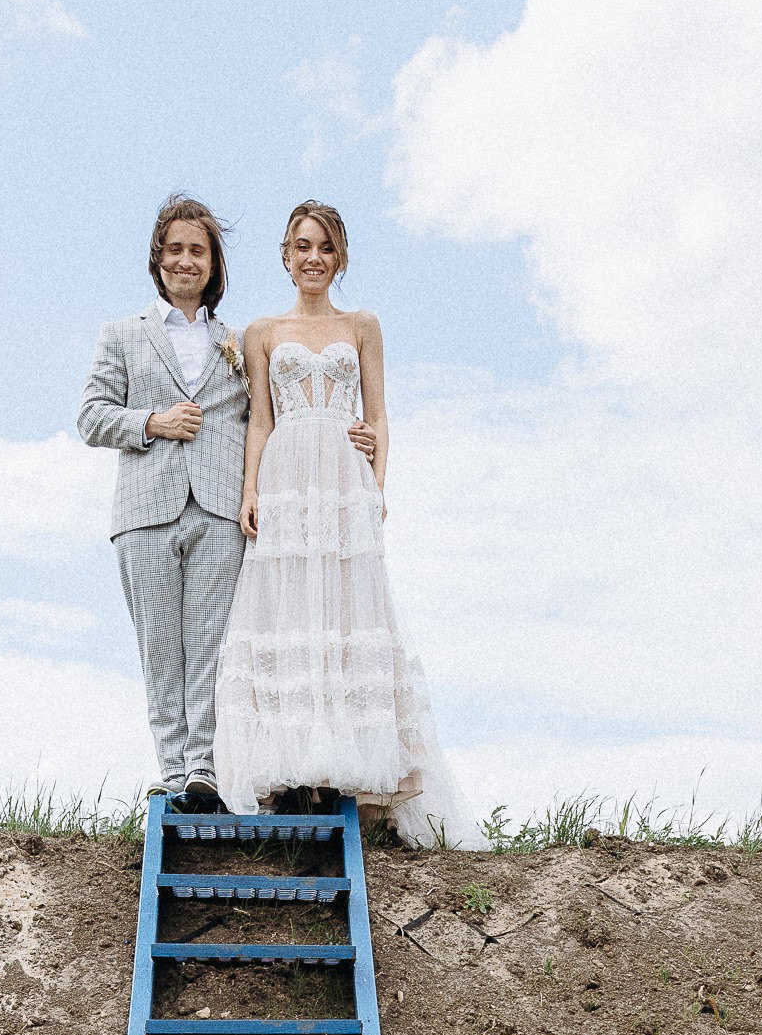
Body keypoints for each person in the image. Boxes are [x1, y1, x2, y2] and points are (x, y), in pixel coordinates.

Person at [213, 202, 476, 848]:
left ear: (341, 258)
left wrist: (376, 485)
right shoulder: (263, 331)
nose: (312, 258)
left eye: (325, 248)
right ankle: (292, 775)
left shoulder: (362, 326)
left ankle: (351, 777)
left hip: (343, 481)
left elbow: (380, 415)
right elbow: (261, 421)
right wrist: (251, 489)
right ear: (285, 254)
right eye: (302, 246)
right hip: (286, 478)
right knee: (290, 610)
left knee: (351, 611)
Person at [77, 194, 249, 815]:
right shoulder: (122, 335)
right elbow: (91, 418)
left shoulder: (238, 342)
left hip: (220, 513)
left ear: (213, 263)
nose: (185, 261)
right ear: (158, 257)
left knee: (211, 646)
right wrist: (153, 421)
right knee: (160, 648)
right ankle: (172, 772)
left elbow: (267, 419)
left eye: (197, 251)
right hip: (145, 513)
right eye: (174, 249)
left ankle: (204, 770)